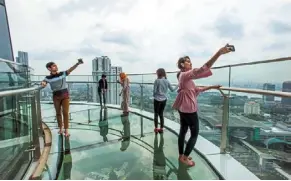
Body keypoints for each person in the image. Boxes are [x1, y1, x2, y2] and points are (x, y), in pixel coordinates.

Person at [173, 45, 233, 166]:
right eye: (187, 61)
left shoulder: (184, 78)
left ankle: (181, 155)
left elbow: (196, 90)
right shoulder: (185, 75)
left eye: (190, 61)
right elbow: (202, 68)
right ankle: (184, 158)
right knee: (194, 134)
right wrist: (219, 53)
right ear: (182, 65)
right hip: (189, 109)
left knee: (183, 130)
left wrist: (212, 87)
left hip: (183, 108)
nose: (190, 63)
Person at [41, 59, 83, 137]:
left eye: (55, 65)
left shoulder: (62, 74)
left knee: (65, 112)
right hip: (56, 96)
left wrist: (77, 63)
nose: (56, 67)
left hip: (65, 95)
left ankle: (66, 130)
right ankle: (61, 128)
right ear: (49, 69)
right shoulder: (48, 78)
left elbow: (71, 69)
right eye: (53, 66)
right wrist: (43, 83)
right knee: (58, 113)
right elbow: (44, 82)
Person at [153, 68, 177, 133]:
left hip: (157, 99)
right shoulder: (167, 81)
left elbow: (154, 91)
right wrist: (178, 85)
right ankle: (161, 128)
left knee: (156, 114)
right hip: (164, 99)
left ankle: (156, 128)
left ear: (159, 73)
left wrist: (154, 96)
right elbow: (172, 90)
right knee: (161, 114)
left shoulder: (157, 81)